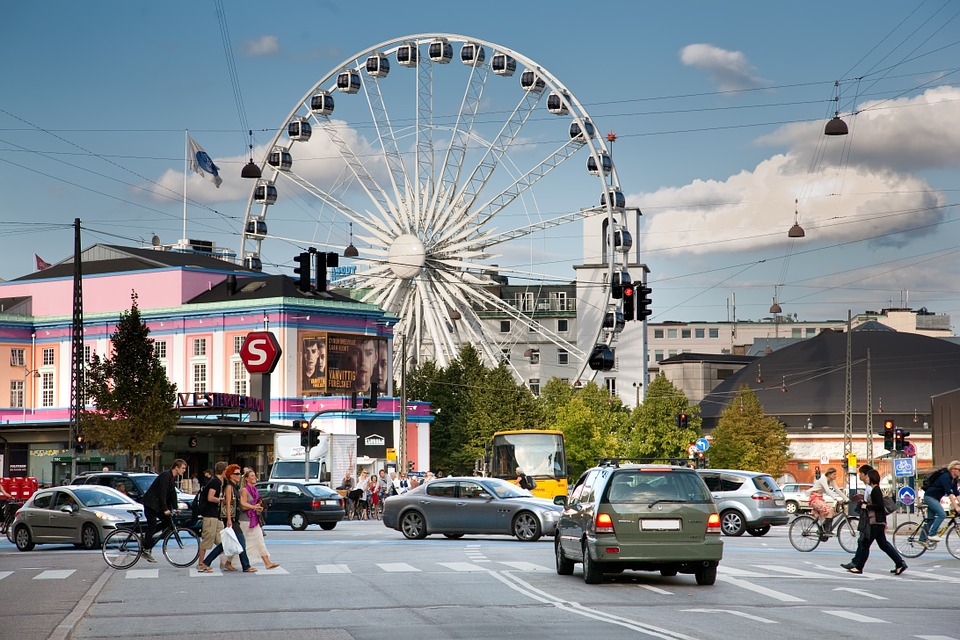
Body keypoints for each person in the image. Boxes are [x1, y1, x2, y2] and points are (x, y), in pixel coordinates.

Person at [842, 467, 907, 575]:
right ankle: (900, 563)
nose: (866, 478)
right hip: (878, 522)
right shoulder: (874, 489)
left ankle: (859, 567)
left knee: (865, 544)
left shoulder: (875, 490)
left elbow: (879, 506)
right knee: (883, 545)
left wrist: (866, 506)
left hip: (875, 521)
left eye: (867, 476)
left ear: (871, 478)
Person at [202, 464, 257, 573]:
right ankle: (246, 565)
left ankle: (206, 562)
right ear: (231, 475)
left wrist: (254, 507)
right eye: (236, 474)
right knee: (241, 542)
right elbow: (227, 504)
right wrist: (228, 519)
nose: (239, 475)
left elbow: (241, 502)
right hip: (231, 518)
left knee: (224, 545)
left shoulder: (235, 487)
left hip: (234, 518)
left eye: (239, 473)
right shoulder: (229, 487)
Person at [140, 459, 187, 563]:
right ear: (176, 467)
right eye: (183, 468)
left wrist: (175, 508)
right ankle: (146, 549)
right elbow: (162, 493)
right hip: (151, 504)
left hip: (157, 505)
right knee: (152, 524)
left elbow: (172, 494)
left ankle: (147, 538)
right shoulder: (166, 475)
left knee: (167, 522)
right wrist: (165, 509)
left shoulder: (172, 477)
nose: (184, 470)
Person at [239, 469, 279, 569]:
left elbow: (254, 504)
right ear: (247, 478)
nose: (254, 478)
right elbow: (243, 506)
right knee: (240, 543)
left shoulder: (254, 490)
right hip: (245, 520)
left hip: (254, 518)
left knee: (259, 540)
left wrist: (258, 506)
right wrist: (254, 507)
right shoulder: (244, 490)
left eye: (254, 475)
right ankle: (228, 561)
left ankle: (267, 562)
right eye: (252, 476)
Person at [197, 461, 227, 573]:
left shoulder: (218, 481)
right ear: (223, 471)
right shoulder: (215, 482)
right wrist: (221, 500)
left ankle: (224, 562)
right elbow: (210, 497)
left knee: (222, 541)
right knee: (207, 539)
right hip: (210, 515)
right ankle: (201, 564)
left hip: (216, 515)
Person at [921, 460, 960, 542]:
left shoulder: (954, 480)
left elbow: (956, 493)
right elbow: (949, 493)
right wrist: (956, 507)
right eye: (959, 470)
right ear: (952, 469)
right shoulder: (945, 477)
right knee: (942, 514)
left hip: (936, 499)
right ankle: (932, 534)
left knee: (930, 519)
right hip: (929, 497)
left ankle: (922, 539)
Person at [808, 467, 847, 537]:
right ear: (829, 474)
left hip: (819, 498)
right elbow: (827, 490)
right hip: (814, 498)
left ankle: (821, 529)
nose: (836, 476)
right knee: (829, 510)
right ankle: (827, 531)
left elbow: (837, 490)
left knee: (832, 512)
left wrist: (846, 499)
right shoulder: (823, 479)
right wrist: (836, 499)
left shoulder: (832, 481)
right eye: (834, 474)